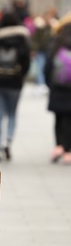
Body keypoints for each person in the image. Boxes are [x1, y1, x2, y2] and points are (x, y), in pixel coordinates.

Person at [0, 10, 30, 161]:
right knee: (12, 113)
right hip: (15, 83)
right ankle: (8, 140)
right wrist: (20, 75)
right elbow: (26, 62)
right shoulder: (22, 39)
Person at [44, 13, 71, 165]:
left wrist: (50, 84)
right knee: (69, 119)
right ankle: (68, 150)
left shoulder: (57, 42)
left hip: (58, 88)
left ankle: (59, 146)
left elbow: (47, 67)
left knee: (59, 118)